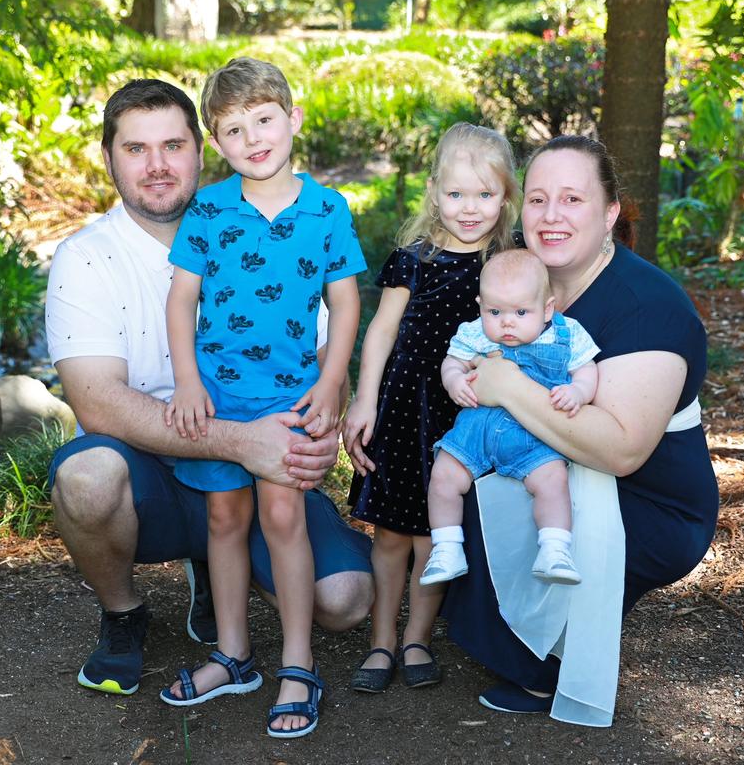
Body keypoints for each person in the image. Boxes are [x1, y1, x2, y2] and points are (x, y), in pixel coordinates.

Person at [44, 78, 373, 709]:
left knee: (345, 600)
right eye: (136, 149)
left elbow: (332, 337)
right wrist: (243, 442)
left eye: (173, 144)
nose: (159, 165)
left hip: (271, 431)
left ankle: (249, 595)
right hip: (158, 468)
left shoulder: (296, 217)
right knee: (87, 477)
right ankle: (125, 612)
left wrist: (323, 414)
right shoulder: (86, 257)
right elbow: (97, 404)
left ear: (200, 149)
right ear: (108, 156)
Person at [442, 135, 719, 715]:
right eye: (538, 199)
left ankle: (548, 658)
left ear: (610, 212)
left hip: (649, 499)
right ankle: (520, 638)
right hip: (548, 460)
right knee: (456, 477)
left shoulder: (650, 309)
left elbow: (622, 453)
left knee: (514, 510)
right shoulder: (521, 282)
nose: (551, 216)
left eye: (572, 199)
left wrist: (506, 385)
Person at [159, 58, 365, 739]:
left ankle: (298, 664)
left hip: (291, 399)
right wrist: (188, 381)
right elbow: (182, 298)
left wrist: (332, 383)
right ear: (216, 144)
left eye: (264, 120)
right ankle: (234, 654)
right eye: (234, 129)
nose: (253, 138)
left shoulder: (326, 210)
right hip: (218, 399)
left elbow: (344, 301)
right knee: (225, 521)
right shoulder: (210, 210)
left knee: (283, 519)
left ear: (293, 119)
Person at [342, 123, 520, 693]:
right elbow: (380, 332)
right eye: (457, 194)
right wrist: (363, 399)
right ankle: (381, 642)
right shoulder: (412, 259)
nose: (470, 209)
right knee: (392, 533)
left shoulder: (506, 263)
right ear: (434, 191)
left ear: (507, 198)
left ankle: (418, 636)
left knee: (435, 535)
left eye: (485, 195)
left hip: (464, 411)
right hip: (402, 405)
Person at [420, 248, 598, 588]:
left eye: (520, 311)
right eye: (494, 311)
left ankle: (555, 548)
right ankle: (445, 548)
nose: (507, 322)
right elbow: (453, 362)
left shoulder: (567, 334)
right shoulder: (474, 333)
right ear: (480, 306)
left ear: (547, 308)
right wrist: (454, 379)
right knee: (443, 476)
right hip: (476, 429)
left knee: (553, 480)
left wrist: (578, 392)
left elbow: (586, 371)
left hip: (533, 434)